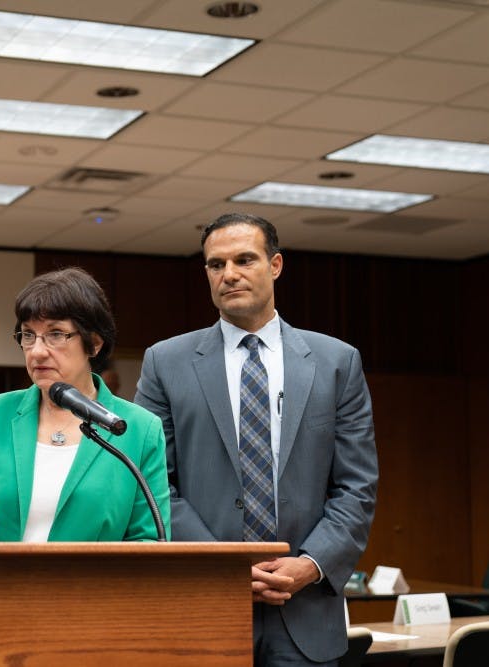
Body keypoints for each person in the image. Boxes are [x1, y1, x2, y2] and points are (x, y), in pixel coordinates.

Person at [134, 213, 377, 666]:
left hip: (306, 610)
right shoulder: (164, 363)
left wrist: (310, 565)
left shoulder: (336, 362)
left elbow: (356, 486)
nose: (229, 274)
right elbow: (151, 487)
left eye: (244, 259)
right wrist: (223, 566)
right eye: (215, 264)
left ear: (276, 265)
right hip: (204, 610)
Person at [0, 267, 169, 543]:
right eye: (28, 335)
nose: (38, 351)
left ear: (94, 343)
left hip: (90, 586)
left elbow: (149, 540)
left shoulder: (139, 428)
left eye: (56, 334)